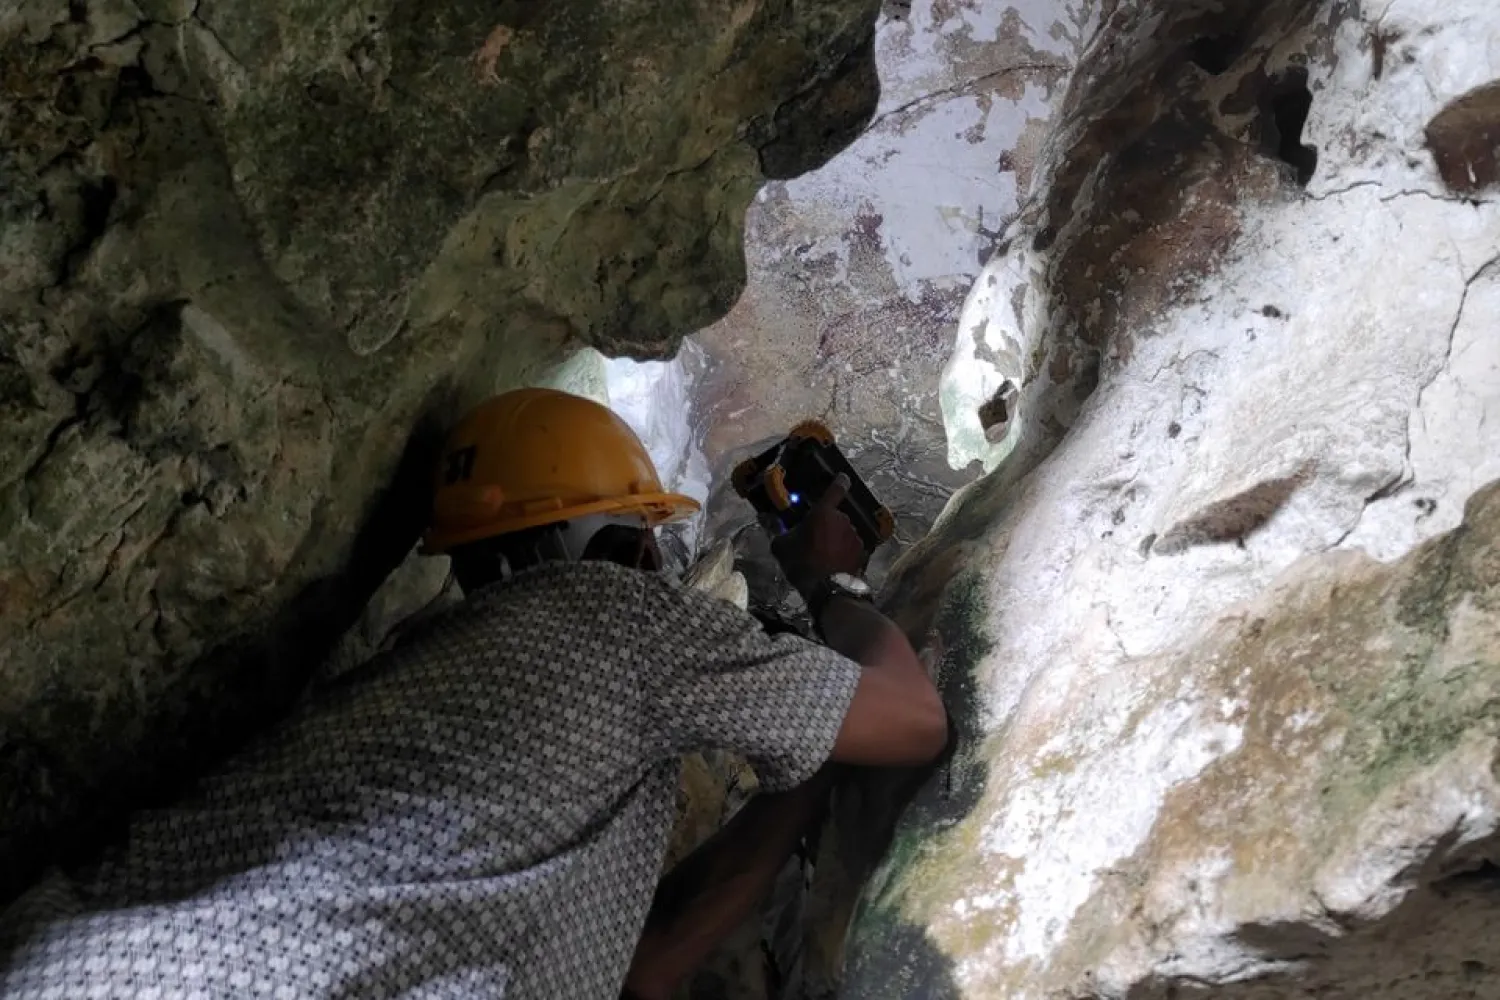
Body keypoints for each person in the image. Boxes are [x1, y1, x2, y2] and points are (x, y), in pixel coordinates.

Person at [0, 387, 948, 1000]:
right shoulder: (613, 618)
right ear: (628, 547)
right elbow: (911, 722)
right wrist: (834, 584)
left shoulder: (408, 686)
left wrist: (811, 763)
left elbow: (640, 962)